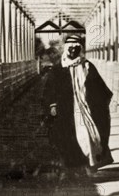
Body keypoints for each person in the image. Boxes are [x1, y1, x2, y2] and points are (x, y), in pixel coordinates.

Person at [43, 35, 113, 175]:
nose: (73, 51)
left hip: (86, 109)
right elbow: (49, 90)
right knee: (67, 136)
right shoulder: (58, 69)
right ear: (65, 49)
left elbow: (100, 88)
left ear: (80, 49)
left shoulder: (87, 66)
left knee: (89, 135)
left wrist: (97, 103)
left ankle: (90, 164)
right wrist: (52, 105)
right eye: (70, 48)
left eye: (76, 48)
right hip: (66, 109)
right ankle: (72, 167)